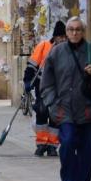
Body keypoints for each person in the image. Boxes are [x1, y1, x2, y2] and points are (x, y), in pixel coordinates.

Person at [40, 16, 91, 181]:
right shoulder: (56, 52)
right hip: (64, 108)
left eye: (78, 29)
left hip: (88, 107)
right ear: (66, 32)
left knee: (87, 149)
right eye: (71, 29)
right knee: (67, 143)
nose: (74, 33)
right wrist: (52, 102)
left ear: (83, 31)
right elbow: (46, 81)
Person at [23, 21, 66, 157]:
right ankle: (41, 143)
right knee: (41, 112)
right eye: (60, 37)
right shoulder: (44, 46)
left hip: (60, 87)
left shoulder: (68, 49)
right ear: (55, 36)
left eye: (64, 37)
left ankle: (53, 145)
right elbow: (32, 65)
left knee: (56, 115)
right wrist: (27, 81)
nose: (63, 39)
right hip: (42, 85)